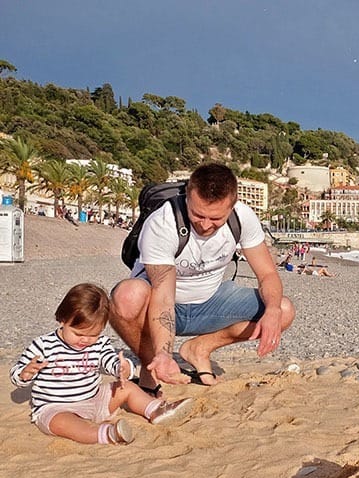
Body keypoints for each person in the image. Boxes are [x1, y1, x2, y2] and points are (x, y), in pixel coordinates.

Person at [109, 163, 296, 394]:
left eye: (216, 218)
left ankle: (199, 349)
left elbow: (267, 274)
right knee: (127, 296)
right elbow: (164, 295)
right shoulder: (163, 222)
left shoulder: (243, 217)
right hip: (159, 306)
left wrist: (273, 311)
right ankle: (151, 368)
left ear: (232, 205)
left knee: (283, 309)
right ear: (188, 197)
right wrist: (164, 354)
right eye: (198, 215)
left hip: (210, 302)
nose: (206, 225)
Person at [9, 283, 194, 445]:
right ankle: (106, 434)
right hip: (57, 406)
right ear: (62, 320)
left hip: (94, 399)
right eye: (79, 334)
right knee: (61, 422)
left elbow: (109, 360)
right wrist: (25, 373)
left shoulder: (99, 344)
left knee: (127, 388)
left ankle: (156, 410)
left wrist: (123, 368)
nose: (85, 340)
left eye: (93, 334)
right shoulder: (43, 345)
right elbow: (16, 376)